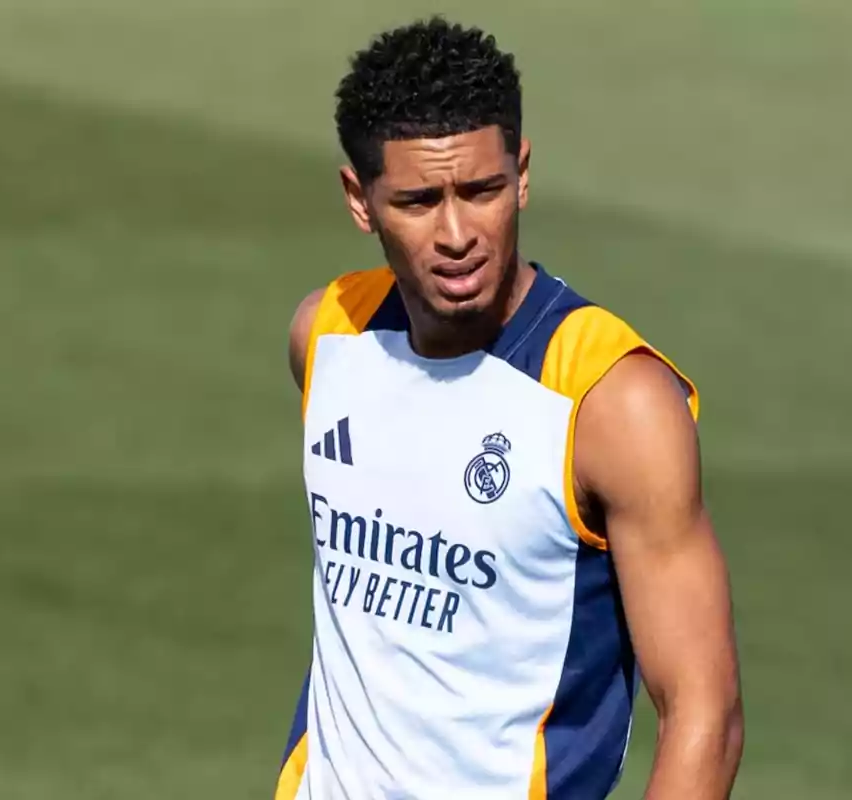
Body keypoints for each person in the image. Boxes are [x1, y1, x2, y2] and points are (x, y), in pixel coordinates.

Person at [276, 16, 743, 800]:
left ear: (521, 174)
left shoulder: (610, 401)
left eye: (482, 191)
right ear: (360, 199)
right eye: (419, 201)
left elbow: (706, 711)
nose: (458, 234)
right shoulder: (328, 337)